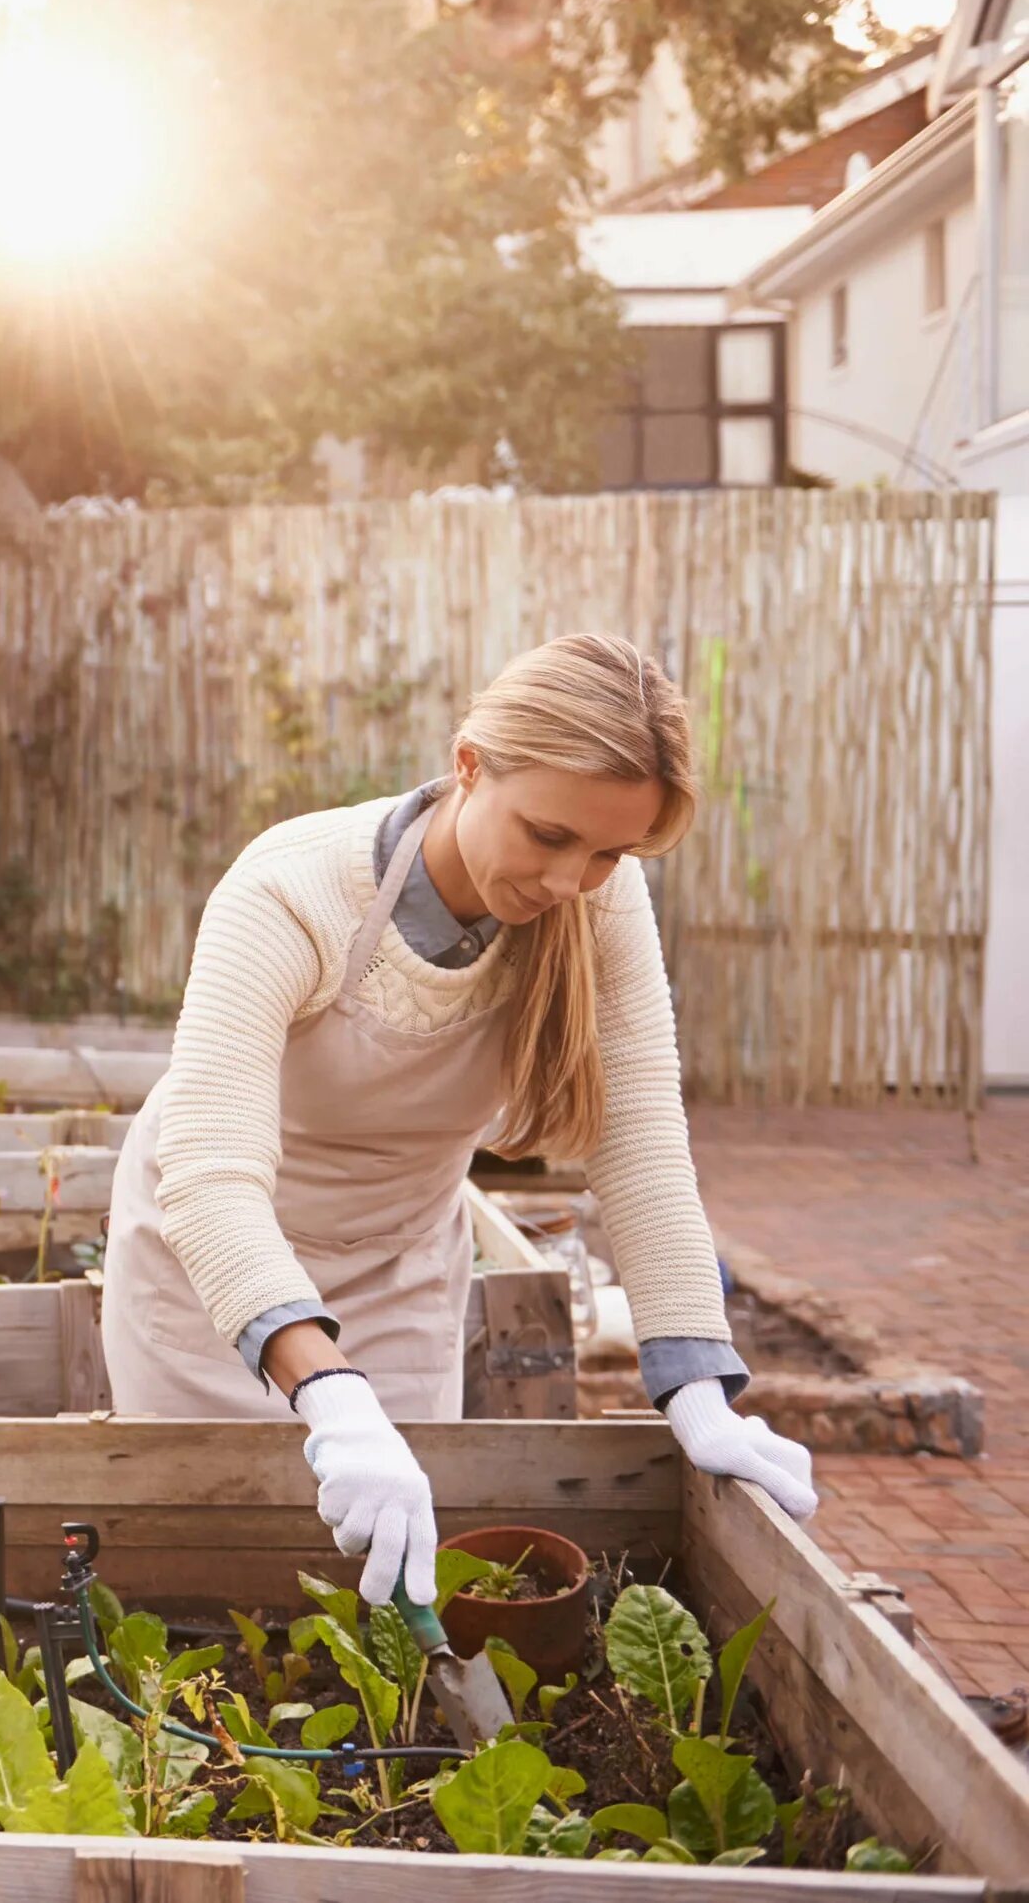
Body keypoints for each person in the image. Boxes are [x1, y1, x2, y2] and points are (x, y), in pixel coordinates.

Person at [104, 633, 818, 1607]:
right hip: (210, 1280)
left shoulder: (601, 909)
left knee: (393, 1598)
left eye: (612, 851)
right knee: (206, 1592)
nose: (572, 880)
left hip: (399, 1272)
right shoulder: (292, 889)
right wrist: (326, 1387)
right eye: (549, 835)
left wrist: (698, 1385)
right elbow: (210, 1174)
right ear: (469, 767)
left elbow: (641, 1142)